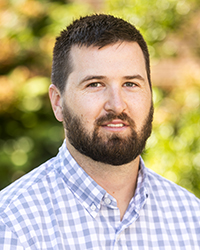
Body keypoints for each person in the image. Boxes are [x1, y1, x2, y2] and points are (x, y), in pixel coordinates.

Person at [0, 14, 199, 250]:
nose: (117, 104)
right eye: (95, 84)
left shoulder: (192, 218)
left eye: (131, 84)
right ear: (57, 102)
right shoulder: (12, 224)